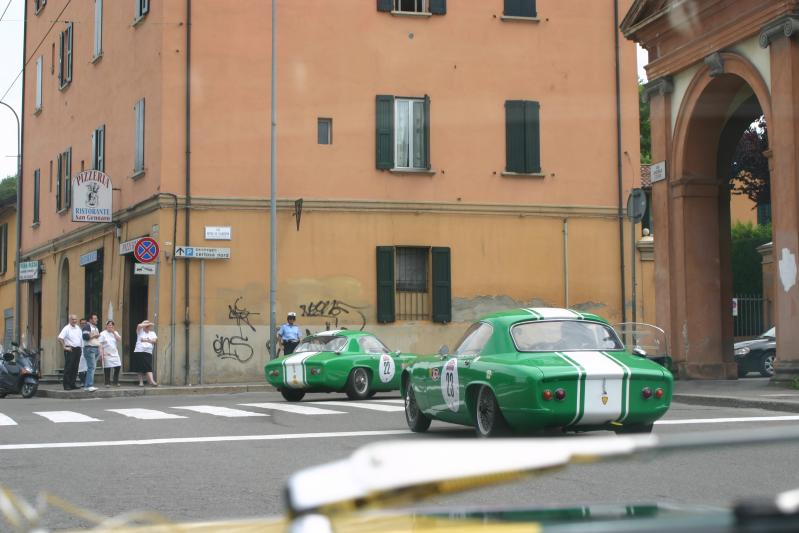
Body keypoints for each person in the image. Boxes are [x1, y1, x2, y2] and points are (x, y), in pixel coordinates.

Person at [57, 315, 83, 391]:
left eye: (75, 319)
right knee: (69, 367)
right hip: (70, 349)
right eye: (73, 319)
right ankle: (66, 385)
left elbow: (80, 338)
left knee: (75, 367)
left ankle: (72, 383)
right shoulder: (66, 328)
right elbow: (60, 338)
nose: (74, 321)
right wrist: (64, 346)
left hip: (77, 349)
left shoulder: (78, 328)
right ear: (69, 320)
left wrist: (81, 348)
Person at [132, 319, 158, 387]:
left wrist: (146, 340)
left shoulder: (152, 333)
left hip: (148, 352)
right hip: (139, 351)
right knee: (139, 367)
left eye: (148, 325)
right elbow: (139, 325)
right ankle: (141, 382)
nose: (147, 326)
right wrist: (149, 340)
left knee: (148, 367)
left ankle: (152, 381)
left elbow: (155, 341)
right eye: (146, 325)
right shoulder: (140, 331)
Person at [99, 320, 122, 387]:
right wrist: (101, 353)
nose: (110, 326)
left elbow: (119, 339)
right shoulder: (102, 333)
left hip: (114, 353)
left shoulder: (115, 332)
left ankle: (115, 381)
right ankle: (107, 382)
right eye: (109, 325)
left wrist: (113, 332)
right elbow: (100, 343)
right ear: (106, 326)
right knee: (107, 368)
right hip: (106, 353)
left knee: (118, 366)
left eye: (112, 325)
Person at [81, 313, 101, 392]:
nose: (97, 320)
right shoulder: (87, 326)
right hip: (90, 349)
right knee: (91, 367)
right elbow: (85, 337)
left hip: (95, 348)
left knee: (92, 367)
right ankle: (89, 385)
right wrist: (94, 336)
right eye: (95, 318)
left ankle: (87, 385)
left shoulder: (95, 327)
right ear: (90, 320)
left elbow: (96, 339)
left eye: (96, 318)